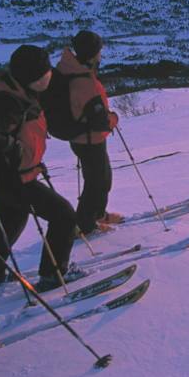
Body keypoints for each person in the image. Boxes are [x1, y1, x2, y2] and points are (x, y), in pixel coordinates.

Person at [0, 45, 84, 292]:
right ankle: (53, 275)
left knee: (11, 220)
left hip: (8, 177)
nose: (49, 75)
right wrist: (18, 153)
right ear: (33, 76)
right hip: (15, 178)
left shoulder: (17, 92)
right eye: (45, 73)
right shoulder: (8, 101)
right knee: (64, 216)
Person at [56, 29, 121, 236]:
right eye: (99, 51)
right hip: (89, 138)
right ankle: (86, 225)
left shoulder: (71, 69)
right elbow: (100, 122)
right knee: (97, 183)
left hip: (82, 136)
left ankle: (97, 214)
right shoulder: (84, 81)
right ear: (93, 54)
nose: (101, 55)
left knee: (101, 179)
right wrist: (113, 119)